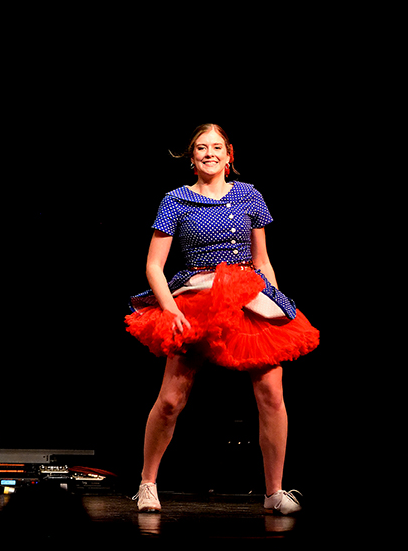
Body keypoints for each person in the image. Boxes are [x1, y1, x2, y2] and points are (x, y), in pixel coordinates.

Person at [125, 124, 319, 514]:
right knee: (171, 400)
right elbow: (153, 266)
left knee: (271, 394)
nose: (209, 153)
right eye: (201, 147)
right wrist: (171, 310)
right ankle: (147, 483)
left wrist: (276, 303)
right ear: (191, 157)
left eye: (217, 147)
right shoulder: (176, 200)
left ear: (230, 154)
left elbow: (262, 260)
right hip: (197, 297)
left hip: (248, 294)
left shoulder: (250, 195)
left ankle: (274, 492)